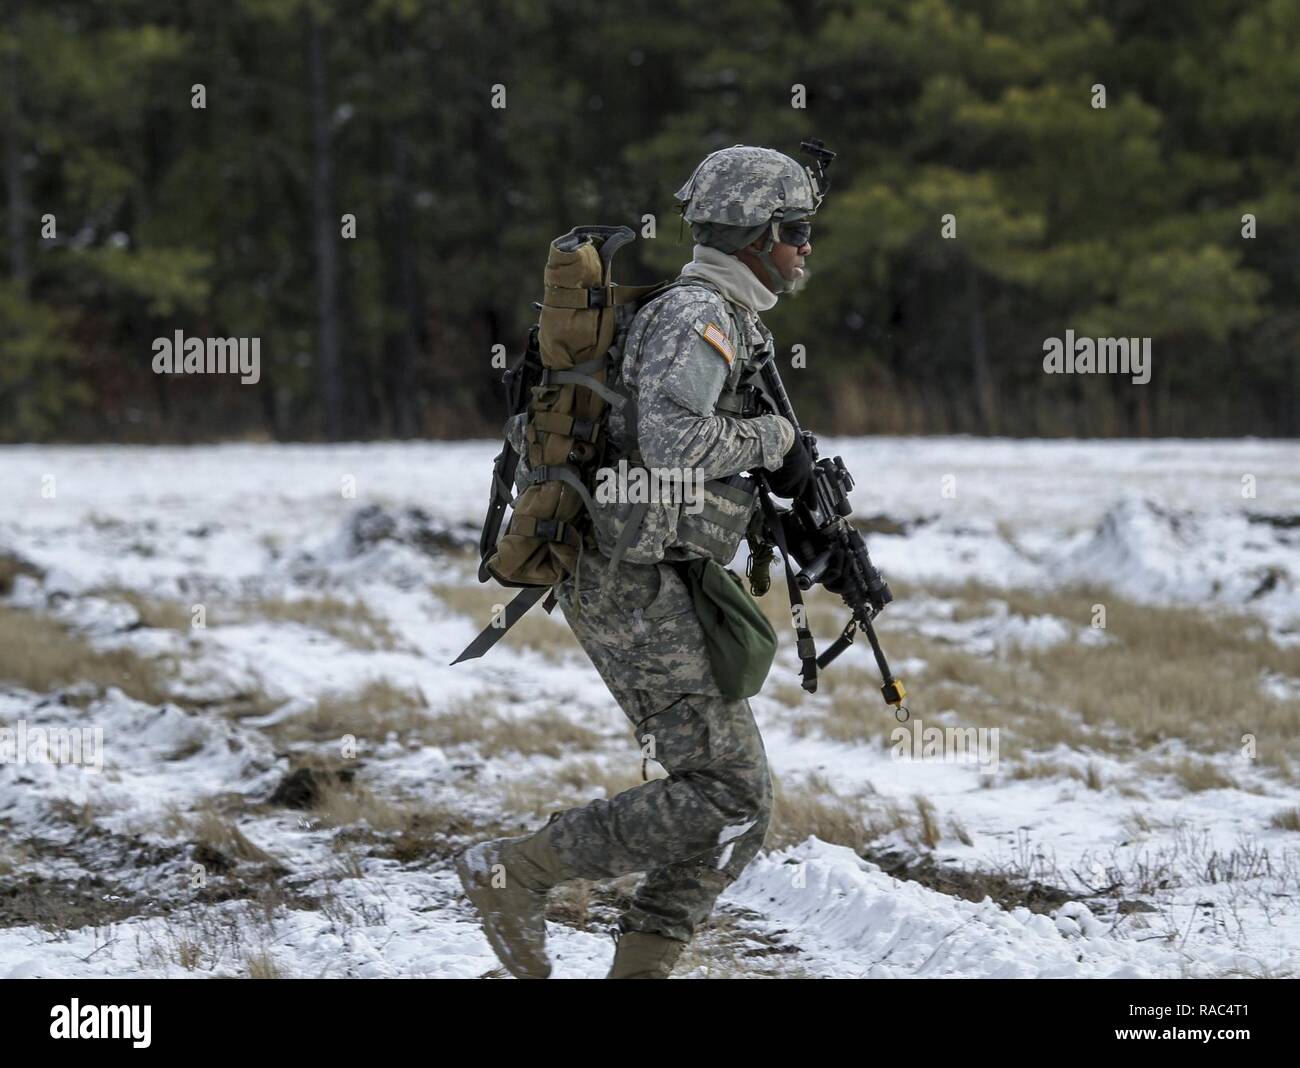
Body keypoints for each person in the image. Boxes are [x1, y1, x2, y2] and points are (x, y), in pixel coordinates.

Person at [457, 145, 822, 979]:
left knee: (738, 804)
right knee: (727, 794)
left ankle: (639, 967)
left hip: (657, 568)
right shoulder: (699, 314)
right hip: (627, 577)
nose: (807, 247)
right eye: (796, 230)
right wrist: (773, 440)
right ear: (758, 234)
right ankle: (516, 871)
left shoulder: (727, 313)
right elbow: (670, 442)